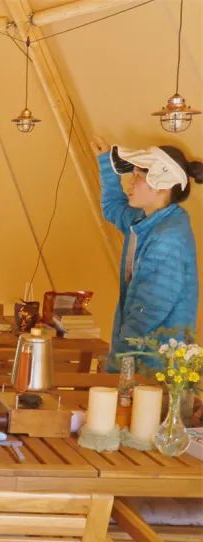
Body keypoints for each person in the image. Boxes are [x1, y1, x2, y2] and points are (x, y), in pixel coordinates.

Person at [92, 137, 201, 370]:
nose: (130, 183)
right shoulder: (146, 221)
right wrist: (105, 161)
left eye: (138, 177)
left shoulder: (168, 238)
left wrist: (118, 361)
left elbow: (149, 310)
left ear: (161, 186)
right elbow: (113, 208)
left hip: (154, 365)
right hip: (140, 356)